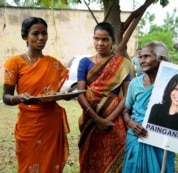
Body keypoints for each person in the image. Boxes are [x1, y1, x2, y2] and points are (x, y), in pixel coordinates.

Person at [2, 17, 69, 172]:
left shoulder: (54, 63)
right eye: (35, 33)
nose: (41, 38)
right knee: (28, 165)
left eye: (44, 33)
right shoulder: (15, 62)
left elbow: (55, 92)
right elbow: (6, 97)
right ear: (25, 36)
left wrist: (66, 93)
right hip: (28, 126)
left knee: (50, 165)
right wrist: (18, 98)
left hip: (50, 123)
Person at [77, 22, 133, 173]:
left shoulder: (122, 65)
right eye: (97, 39)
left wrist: (108, 120)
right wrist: (97, 119)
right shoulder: (84, 63)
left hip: (114, 121)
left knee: (112, 156)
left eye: (105, 39)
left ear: (113, 41)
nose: (100, 43)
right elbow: (80, 94)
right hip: (91, 119)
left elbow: (127, 95)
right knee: (90, 157)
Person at [122, 41, 176, 173]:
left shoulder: (174, 84)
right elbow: (125, 111)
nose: (142, 61)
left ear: (161, 59)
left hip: (162, 140)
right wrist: (131, 123)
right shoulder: (135, 84)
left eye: (147, 56)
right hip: (136, 137)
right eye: (140, 57)